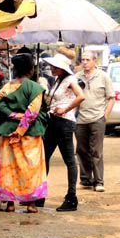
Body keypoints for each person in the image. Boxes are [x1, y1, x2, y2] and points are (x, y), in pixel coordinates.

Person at [0, 53, 49, 213]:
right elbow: (32, 113)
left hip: (8, 131)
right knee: (32, 168)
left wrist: (13, 116)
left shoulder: (6, 87)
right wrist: (20, 130)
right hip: (30, 134)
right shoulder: (35, 88)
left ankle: (10, 204)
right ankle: (31, 204)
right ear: (31, 70)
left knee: (8, 168)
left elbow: (0, 105)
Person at [40, 53, 85, 211]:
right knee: (44, 157)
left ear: (61, 68)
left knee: (69, 161)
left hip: (64, 122)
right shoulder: (58, 80)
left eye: (54, 66)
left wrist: (65, 108)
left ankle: (71, 198)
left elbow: (81, 96)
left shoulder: (70, 80)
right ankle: (40, 196)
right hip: (53, 122)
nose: (51, 68)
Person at [75, 51, 116, 192]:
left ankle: (99, 181)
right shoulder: (77, 77)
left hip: (98, 118)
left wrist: (105, 116)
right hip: (80, 119)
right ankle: (86, 180)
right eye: (83, 59)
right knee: (81, 150)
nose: (85, 62)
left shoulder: (103, 77)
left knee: (96, 151)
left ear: (94, 61)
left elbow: (111, 97)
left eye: (87, 59)